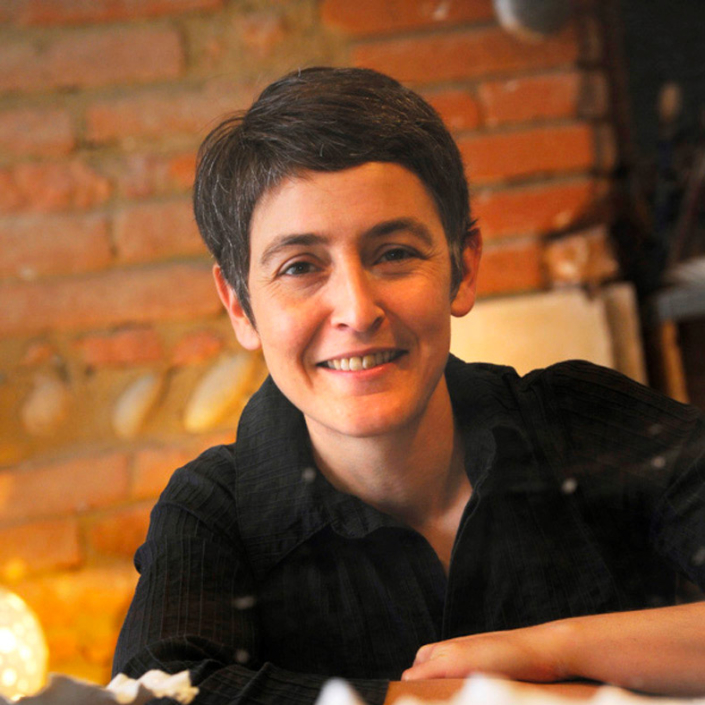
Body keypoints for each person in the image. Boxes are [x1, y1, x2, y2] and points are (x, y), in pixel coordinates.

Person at [112, 67, 705, 704]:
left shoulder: (581, 417)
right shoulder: (212, 511)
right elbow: (155, 695)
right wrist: (456, 698)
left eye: (394, 253)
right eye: (300, 266)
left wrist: (544, 652)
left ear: (463, 267)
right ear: (239, 306)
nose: (357, 310)